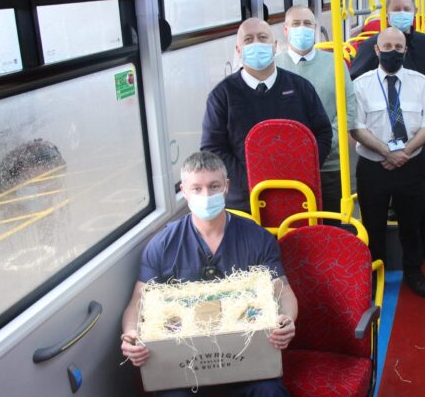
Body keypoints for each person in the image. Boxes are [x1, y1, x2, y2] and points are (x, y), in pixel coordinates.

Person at [121, 151, 297, 397]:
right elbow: (138, 301)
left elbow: (283, 290)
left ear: (226, 187)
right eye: (197, 188)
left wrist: (287, 319)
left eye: (214, 186)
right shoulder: (163, 245)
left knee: (269, 392)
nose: (206, 196)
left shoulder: (257, 239)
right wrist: (131, 335)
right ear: (184, 190)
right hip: (185, 363)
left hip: (244, 357)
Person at [200, 17, 333, 213]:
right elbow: (212, 149)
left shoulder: (300, 87)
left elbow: (322, 134)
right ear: (238, 50)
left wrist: (303, 170)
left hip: (298, 195)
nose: (256, 43)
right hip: (244, 202)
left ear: (275, 46)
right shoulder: (222, 95)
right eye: (248, 39)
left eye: (262, 38)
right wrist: (253, 180)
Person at [350, 0, 425, 259]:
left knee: (413, 223)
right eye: (387, 47)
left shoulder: (421, 75)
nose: (393, 52)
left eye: (398, 48)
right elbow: (356, 126)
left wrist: (405, 153)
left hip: (411, 159)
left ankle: (415, 270)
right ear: (377, 49)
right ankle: (375, 271)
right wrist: (387, 152)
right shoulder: (361, 83)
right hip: (373, 164)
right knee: (373, 226)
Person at [274, 6, 355, 225]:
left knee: (331, 227)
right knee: (292, 228)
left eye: (308, 24)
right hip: (286, 168)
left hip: (330, 164)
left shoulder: (335, 64)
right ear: (285, 29)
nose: (302, 29)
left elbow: (347, 111)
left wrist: (322, 147)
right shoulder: (273, 67)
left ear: (316, 29)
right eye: (296, 24)